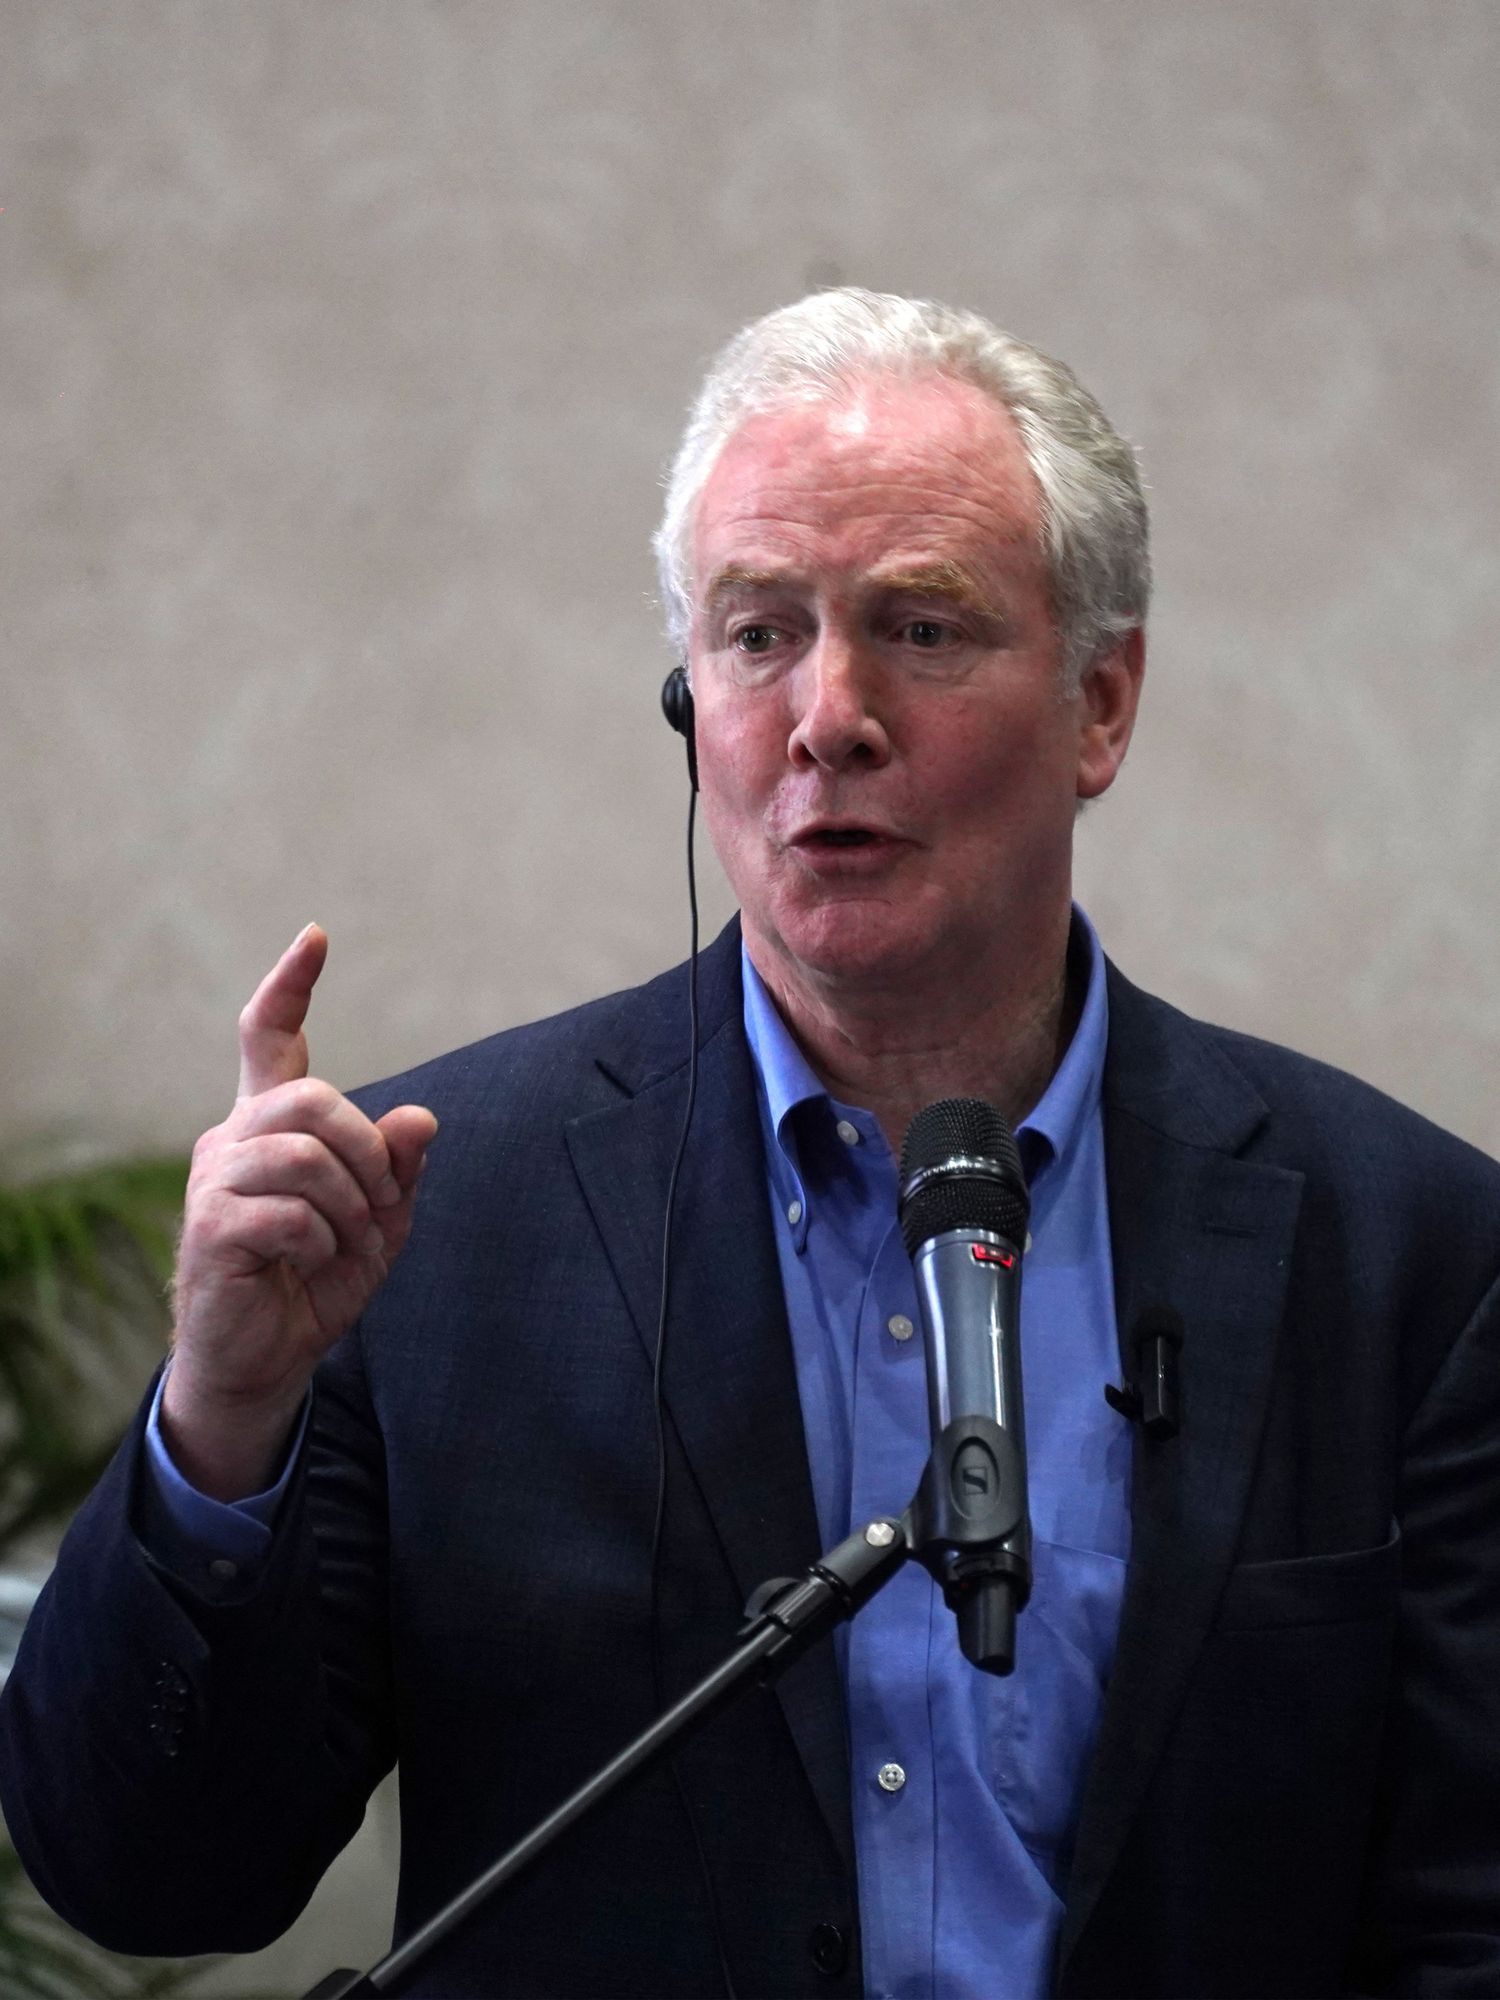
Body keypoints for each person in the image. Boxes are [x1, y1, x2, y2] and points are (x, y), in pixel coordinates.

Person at [2, 289, 1498, 2000]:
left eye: (922, 630)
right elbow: (147, 1874)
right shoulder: (431, 1224)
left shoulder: (1407, 1258)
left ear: (1101, 704)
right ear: (690, 697)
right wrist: (223, 1412)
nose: (828, 715)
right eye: (760, 631)